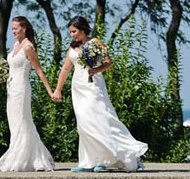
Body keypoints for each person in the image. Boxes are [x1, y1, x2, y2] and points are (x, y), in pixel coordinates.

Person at [51, 16, 148, 173]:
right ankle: (87, 161)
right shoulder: (72, 47)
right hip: (78, 88)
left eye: (74, 31)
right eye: (70, 32)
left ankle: (107, 159)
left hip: (94, 86)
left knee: (99, 119)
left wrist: (97, 69)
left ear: (83, 29)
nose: (72, 35)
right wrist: (58, 89)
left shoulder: (95, 42)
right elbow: (65, 69)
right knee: (84, 123)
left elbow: (108, 62)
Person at [0, 16, 55, 172]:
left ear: (24, 28)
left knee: (22, 121)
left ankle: (25, 159)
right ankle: (21, 155)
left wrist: (50, 91)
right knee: (14, 122)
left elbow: (39, 70)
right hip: (11, 88)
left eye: (16, 28)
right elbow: (11, 68)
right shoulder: (15, 45)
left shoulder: (28, 47)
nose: (13, 31)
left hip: (21, 88)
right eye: (12, 28)